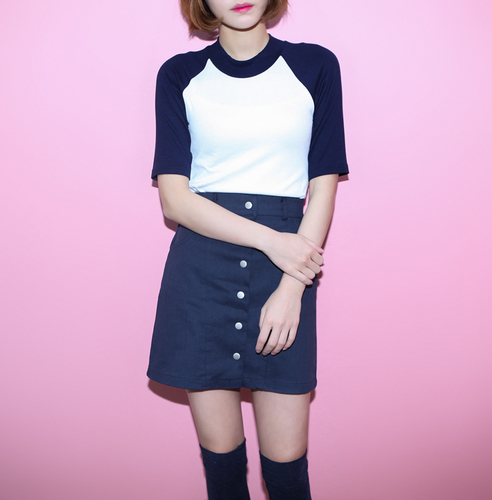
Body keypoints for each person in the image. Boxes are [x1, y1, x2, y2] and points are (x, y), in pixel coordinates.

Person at [147, 1, 348, 498]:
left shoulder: (316, 66)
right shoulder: (178, 75)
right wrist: (272, 241)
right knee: (223, 472)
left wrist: (292, 286)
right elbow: (175, 199)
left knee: (286, 474)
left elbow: (322, 189)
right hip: (201, 277)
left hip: (287, 275)